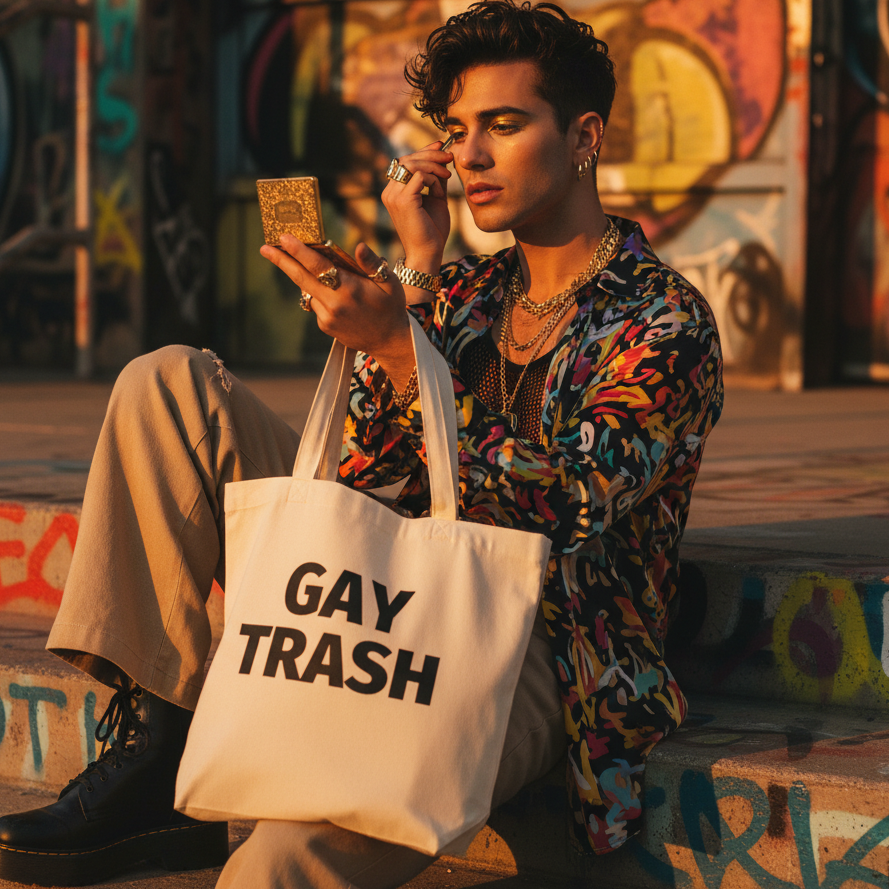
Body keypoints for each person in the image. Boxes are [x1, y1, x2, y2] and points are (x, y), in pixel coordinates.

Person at [0, 1, 723, 886]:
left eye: (503, 124)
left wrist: (394, 348)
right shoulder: (466, 294)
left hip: (535, 646)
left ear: (583, 137)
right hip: (389, 601)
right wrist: (413, 275)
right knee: (169, 383)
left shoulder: (661, 317)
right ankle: (158, 741)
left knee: (277, 864)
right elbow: (362, 479)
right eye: (456, 131)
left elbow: (571, 504)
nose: (471, 155)